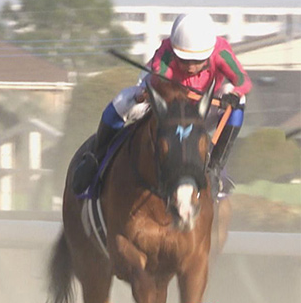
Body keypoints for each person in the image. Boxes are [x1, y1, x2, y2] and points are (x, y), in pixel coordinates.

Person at [71, 12, 252, 195]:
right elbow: (161, 82)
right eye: (184, 60)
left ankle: (215, 168)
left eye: (197, 61)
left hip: (200, 110)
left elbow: (243, 81)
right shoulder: (166, 51)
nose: (190, 67)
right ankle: (96, 157)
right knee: (123, 100)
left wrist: (234, 94)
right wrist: (152, 93)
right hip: (164, 104)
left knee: (238, 100)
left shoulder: (221, 51)